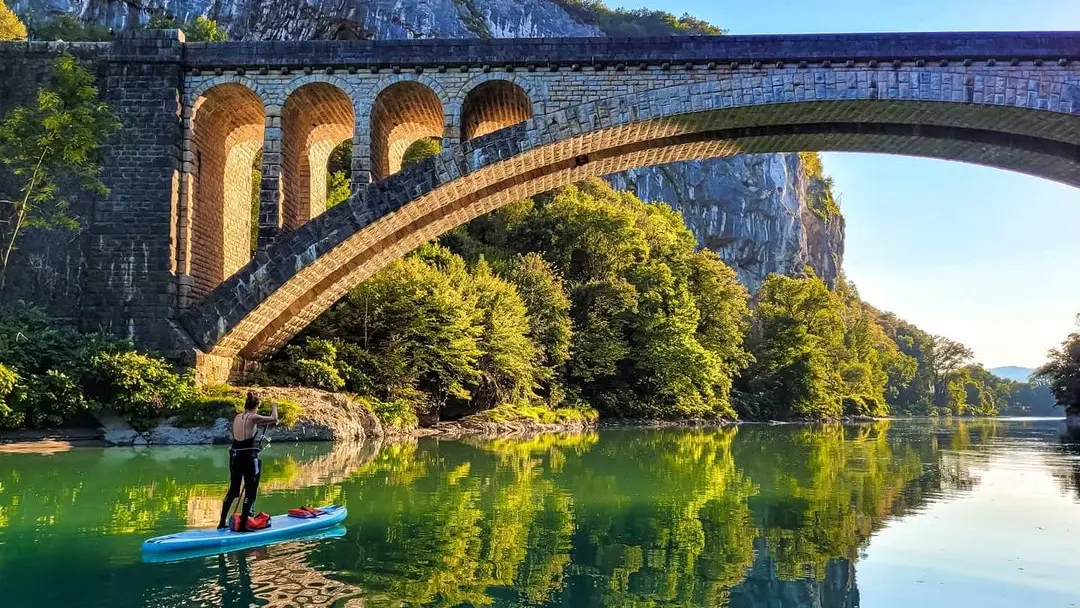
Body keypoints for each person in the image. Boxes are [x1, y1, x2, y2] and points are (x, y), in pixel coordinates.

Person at [218, 392, 278, 531]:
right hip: (248, 457)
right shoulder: (254, 416)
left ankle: (221, 522)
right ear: (256, 406)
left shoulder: (238, 416)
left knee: (233, 491)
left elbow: (252, 425)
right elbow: (274, 418)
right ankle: (244, 524)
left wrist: (266, 421)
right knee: (251, 492)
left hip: (234, 456)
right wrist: (274, 405)